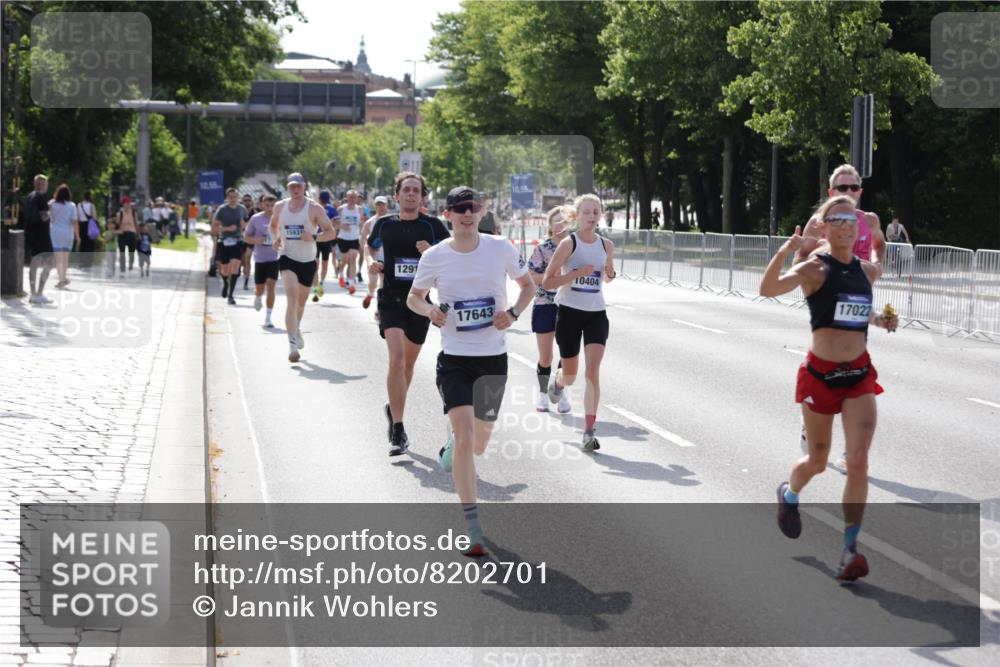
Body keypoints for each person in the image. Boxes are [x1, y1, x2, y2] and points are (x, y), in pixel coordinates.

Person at [760, 195, 898, 583]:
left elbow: (854, 310)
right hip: (819, 377)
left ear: (856, 229)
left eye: (850, 220)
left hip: (858, 375)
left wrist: (880, 320)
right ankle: (789, 494)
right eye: (836, 219)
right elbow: (767, 289)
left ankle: (850, 549)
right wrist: (786, 252)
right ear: (824, 226)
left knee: (858, 461)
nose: (845, 225)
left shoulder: (866, 271)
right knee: (817, 462)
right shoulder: (814, 268)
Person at [407, 186, 533, 556]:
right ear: (448, 214)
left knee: (479, 442)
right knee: (465, 438)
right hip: (455, 359)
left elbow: (527, 286)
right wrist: (429, 310)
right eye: (459, 208)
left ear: (482, 212)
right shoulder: (435, 256)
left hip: (493, 358)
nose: (466, 213)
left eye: (472, 208)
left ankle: (452, 446)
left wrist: (511, 314)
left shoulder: (501, 248)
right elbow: (414, 297)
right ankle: (473, 526)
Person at [796, 164, 887, 470]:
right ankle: (812, 420)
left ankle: (852, 451)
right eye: (841, 189)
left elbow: (879, 243)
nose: (848, 193)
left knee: (854, 363)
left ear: (860, 191)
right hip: (827, 296)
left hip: (856, 294)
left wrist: (874, 267)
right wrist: (820, 260)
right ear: (830, 193)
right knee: (827, 363)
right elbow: (799, 260)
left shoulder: (870, 220)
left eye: (853, 188)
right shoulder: (817, 223)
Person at [366, 172, 450, 456]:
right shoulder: (384, 224)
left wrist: (434, 251)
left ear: (422, 197)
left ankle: (394, 408)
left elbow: (453, 255)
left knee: (408, 366)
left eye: (416, 190)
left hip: (420, 303)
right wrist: (373, 263)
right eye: (407, 190)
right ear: (397, 196)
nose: (411, 194)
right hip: (391, 299)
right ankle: (399, 429)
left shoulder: (433, 225)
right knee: (397, 359)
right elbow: (370, 246)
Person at [542, 194, 617, 451]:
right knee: (572, 376)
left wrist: (609, 274)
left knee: (593, 372)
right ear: (578, 215)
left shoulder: (606, 245)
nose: (592, 215)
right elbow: (547, 282)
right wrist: (575, 274)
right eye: (587, 211)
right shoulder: (568, 244)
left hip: (596, 313)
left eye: (596, 211)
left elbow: (608, 276)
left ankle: (588, 431)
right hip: (570, 313)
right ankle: (559, 382)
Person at [269, 173, 337, 362]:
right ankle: (292, 345)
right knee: (291, 298)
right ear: (288, 187)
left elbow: (331, 233)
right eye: (291, 186)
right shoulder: (280, 206)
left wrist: (314, 237)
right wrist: (275, 239)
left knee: (300, 303)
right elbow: (273, 225)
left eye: (298, 186)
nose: (295, 189)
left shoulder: (314, 208)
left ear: (304, 186)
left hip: (307, 260)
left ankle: (296, 327)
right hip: (286, 256)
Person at [527, 206, 572, 413]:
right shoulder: (543, 248)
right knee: (546, 357)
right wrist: (551, 278)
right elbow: (529, 276)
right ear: (550, 226)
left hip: (571, 306)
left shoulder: (576, 247)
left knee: (567, 354)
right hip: (545, 304)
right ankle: (543, 394)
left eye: (564, 221)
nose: (561, 225)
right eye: (557, 221)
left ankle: (560, 391)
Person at [244, 195, 279, 328]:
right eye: (267, 205)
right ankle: (258, 297)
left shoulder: (280, 219)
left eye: (272, 205)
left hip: (275, 258)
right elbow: (246, 237)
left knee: (271, 285)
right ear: (262, 205)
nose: (270, 208)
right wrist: (255, 241)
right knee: (260, 288)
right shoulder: (256, 219)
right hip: (260, 259)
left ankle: (268, 318)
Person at [213, 188, 248, 305]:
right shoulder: (222, 209)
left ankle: (231, 295)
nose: (233, 199)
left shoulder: (242, 209)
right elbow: (215, 227)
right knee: (224, 270)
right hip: (224, 241)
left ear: (238, 198)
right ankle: (225, 283)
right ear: (227, 198)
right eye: (231, 197)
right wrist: (227, 228)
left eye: (235, 197)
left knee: (235, 267)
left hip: (238, 241)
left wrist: (244, 226)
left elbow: (246, 225)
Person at [24, 174, 53, 304]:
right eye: (46, 183)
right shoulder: (42, 197)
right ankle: (40, 292)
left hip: (31, 234)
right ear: (43, 185)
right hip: (42, 235)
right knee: (49, 263)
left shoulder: (30, 196)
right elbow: (43, 217)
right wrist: (50, 209)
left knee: (33, 264)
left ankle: (32, 293)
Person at [360, 195, 390, 310]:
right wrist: (367, 250)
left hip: (386, 257)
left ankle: (379, 309)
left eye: (383, 205)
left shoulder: (392, 221)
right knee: (373, 282)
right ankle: (370, 294)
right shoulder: (370, 222)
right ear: (375, 206)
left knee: (383, 285)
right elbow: (362, 237)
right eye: (378, 205)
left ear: (387, 206)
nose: (381, 207)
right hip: (373, 257)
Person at [47, 184, 79, 289]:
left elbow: (48, 216)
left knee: (58, 258)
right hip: (67, 233)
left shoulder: (52, 204)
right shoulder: (72, 205)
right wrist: (77, 236)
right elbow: (74, 222)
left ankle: (61, 279)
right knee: (65, 258)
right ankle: (63, 278)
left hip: (55, 232)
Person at [312, 190, 339, 301]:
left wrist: (331, 228)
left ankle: (320, 285)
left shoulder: (329, 209)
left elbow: (338, 224)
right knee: (318, 265)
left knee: (321, 265)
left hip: (324, 240)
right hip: (318, 240)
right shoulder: (315, 208)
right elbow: (338, 225)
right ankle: (317, 289)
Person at [336, 189, 364, 294]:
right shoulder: (341, 209)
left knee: (353, 259)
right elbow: (334, 223)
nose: (352, 199)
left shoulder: (359, 209)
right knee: (345, 261)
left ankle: (352, 284)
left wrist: (362, 229)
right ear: (346, 198)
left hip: (354, 238)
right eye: (350, 197)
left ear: (357, 199)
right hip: (343, 238)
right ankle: (341, 274)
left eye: (354, 197)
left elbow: (361, 222)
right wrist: (341, 226)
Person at [114, 196, 139, 273]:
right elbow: (117, 225)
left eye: (129, 203)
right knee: (122, 251)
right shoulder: (119, 214)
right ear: (123, 204)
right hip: (122, 234)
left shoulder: (134, 213)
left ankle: (131, 264)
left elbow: (136, 224)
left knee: (131, 251)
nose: (127, 205)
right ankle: (122, 268)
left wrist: (138, 234)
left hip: (132, 233)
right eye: (126, 203)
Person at [240, 193, 256, 290]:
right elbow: (242, 225)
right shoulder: (239, 211)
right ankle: (241, 275)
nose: (247, 202)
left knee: (247, 259)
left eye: (248, 200)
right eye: (245, 200)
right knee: (242, 261)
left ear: (251, 201)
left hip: (250, 239)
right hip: (239, 238)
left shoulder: (255, 213)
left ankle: (246, 281)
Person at [77, 191, 100, 257]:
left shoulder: (79, 205)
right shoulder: (91, 205)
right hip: (89, 225)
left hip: (81, 225)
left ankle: (82, 260)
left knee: (83, 243)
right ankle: (88, 262)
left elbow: (78, 217)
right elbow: (94, 217)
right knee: (90, 243)